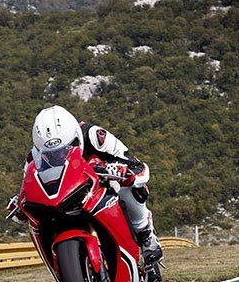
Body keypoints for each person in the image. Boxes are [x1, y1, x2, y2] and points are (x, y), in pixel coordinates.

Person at [14, 105, 162, 264]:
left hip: (103, 186)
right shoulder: (33, 157)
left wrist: (125, 172)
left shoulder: (95, 135)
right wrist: (20, 201)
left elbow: (138, 167)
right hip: (66, 197)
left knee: (132, 189)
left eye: (65, 148)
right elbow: (30, 183)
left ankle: (145, 232)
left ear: (76, 137)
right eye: (51, 154)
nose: (59, 155)